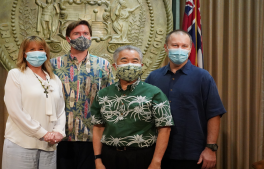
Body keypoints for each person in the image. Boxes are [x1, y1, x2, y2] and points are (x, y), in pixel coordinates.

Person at [145, 30, 226, 169]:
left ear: (190, 49)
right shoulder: (153, 77)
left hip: (192, 153)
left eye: (184, 46)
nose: (179, 50)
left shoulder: (203, 77)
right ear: (166, 48)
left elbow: (214, 113)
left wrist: (210, 148)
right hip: (157, 152)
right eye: (175, 45)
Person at [91, 45, 174, 169]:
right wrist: (98, 160)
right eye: (124, 61)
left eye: (135, 61)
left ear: (141, 66)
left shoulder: (154, 93)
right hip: (110, 156)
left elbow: (164, 128)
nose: (129, 64)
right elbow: (98, 128)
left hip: (142, 156)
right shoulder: (103, 94)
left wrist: (156, 161)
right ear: (115, 66)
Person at [51, 20, 113, 169]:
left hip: (93, 138)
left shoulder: (103, 65)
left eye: (85, 33)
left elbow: (109, 100)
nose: (82, 37)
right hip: (62, 136)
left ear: (91, 37)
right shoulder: (53, 64)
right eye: (77, 33)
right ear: (68, 38)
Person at [2, 36, 66, 169]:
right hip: (21, 143)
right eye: (32, 49)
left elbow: (60, 110)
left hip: (49, 146)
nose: (37, 52)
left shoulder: (55, 79)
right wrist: (42, 133)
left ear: (46, 53)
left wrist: (59, 131)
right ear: (24, 54)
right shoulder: (16, 75)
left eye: (41, 49)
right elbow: (15, 111)